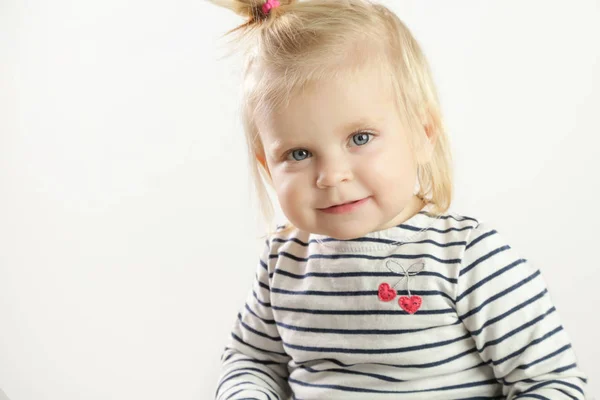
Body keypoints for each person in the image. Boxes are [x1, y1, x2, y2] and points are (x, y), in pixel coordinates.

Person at [209, 0, 590, 398]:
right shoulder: (284, 263)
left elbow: (553, 383)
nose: (331, 175)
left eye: (360, 138)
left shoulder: (467, 260)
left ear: (423, 134)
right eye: (299, 154)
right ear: (267, 166)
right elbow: (252, 360)